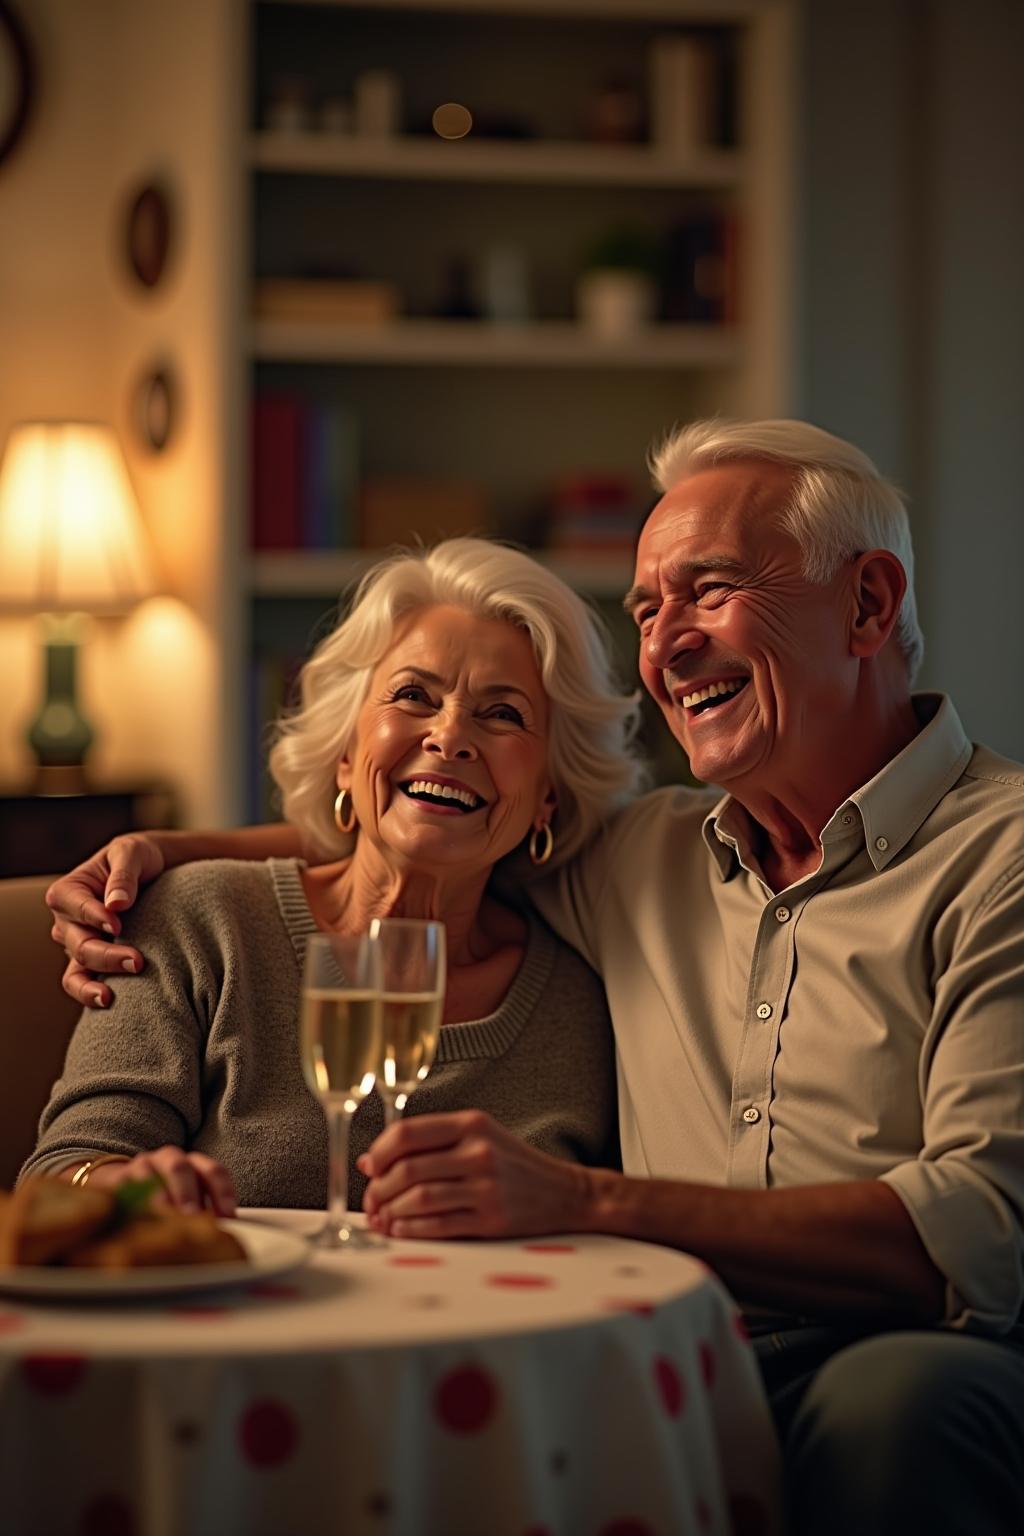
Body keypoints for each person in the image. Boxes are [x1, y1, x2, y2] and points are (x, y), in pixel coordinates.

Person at [47, 420, 1024, 1534]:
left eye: (707, 591)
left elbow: (983, 1232)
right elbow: (417, 826)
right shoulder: (649, 855)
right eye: (647, 611)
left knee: (905, 1409)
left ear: (867, 605)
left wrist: (588, 1202)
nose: (667, 645)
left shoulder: (995, 863)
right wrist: (164, 854)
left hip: (881, 1352)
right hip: (642, 1351)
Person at [24, 538, 641, 1210]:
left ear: (549, 792)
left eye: (503, 714)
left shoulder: (585, 1000)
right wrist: (128, 1187)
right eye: (413, 695)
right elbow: (61, 1171)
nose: (450, 735)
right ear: (346, 754)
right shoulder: (201, 921)